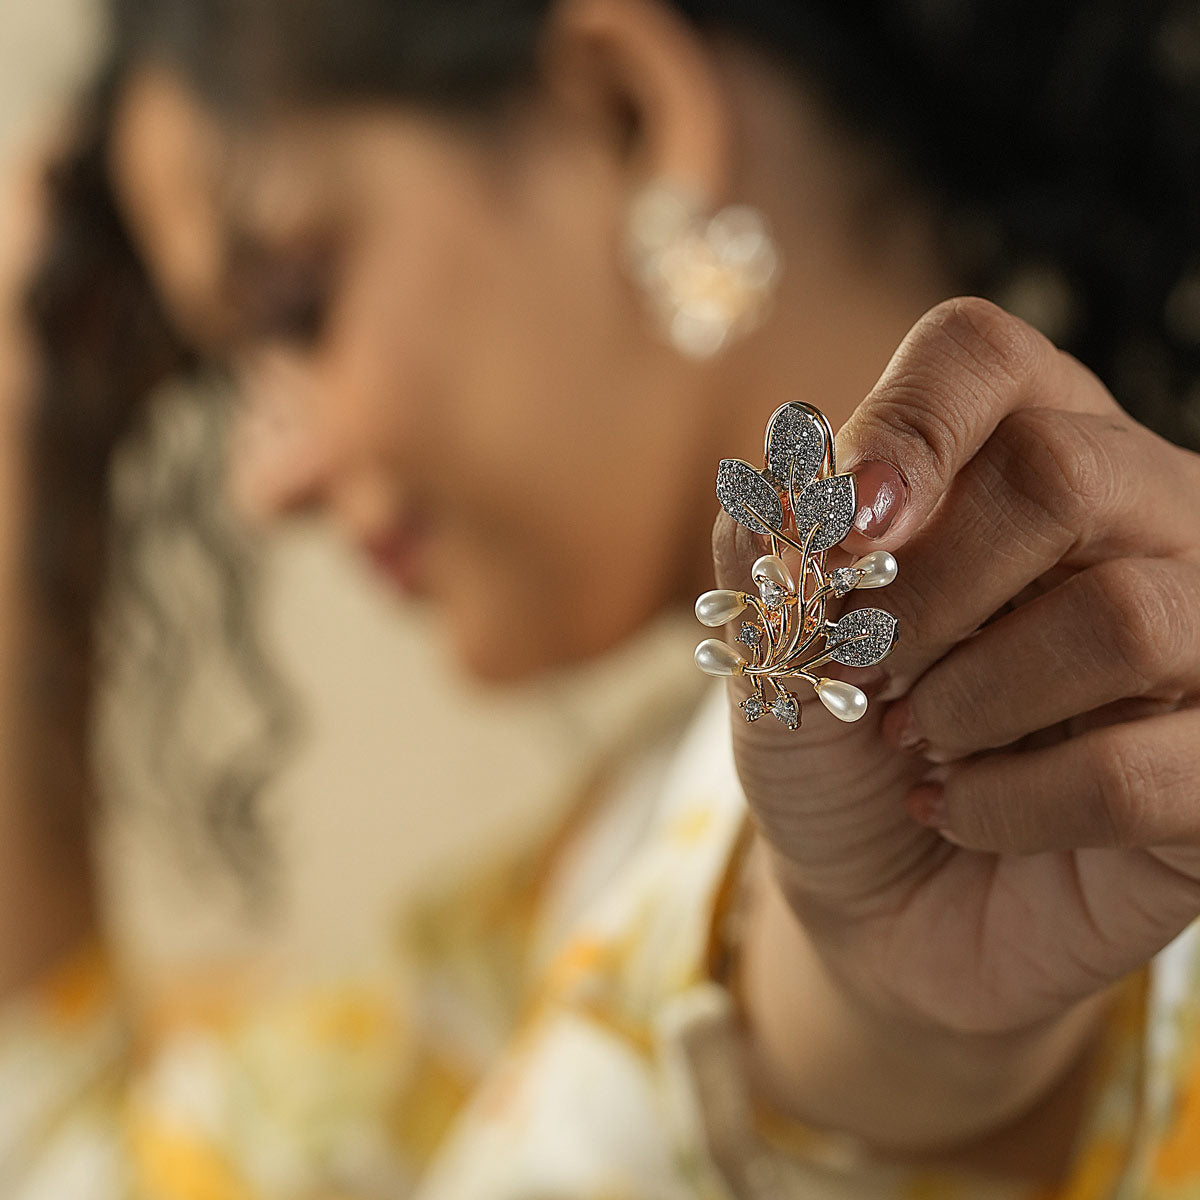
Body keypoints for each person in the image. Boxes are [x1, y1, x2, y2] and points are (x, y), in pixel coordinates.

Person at [5, 0, 1200, 1196]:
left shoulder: (1127, 709)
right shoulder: (549, 906)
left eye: (296, 308)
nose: (265, 479)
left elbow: (904, 983)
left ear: (624, 115)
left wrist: (888, 1019)